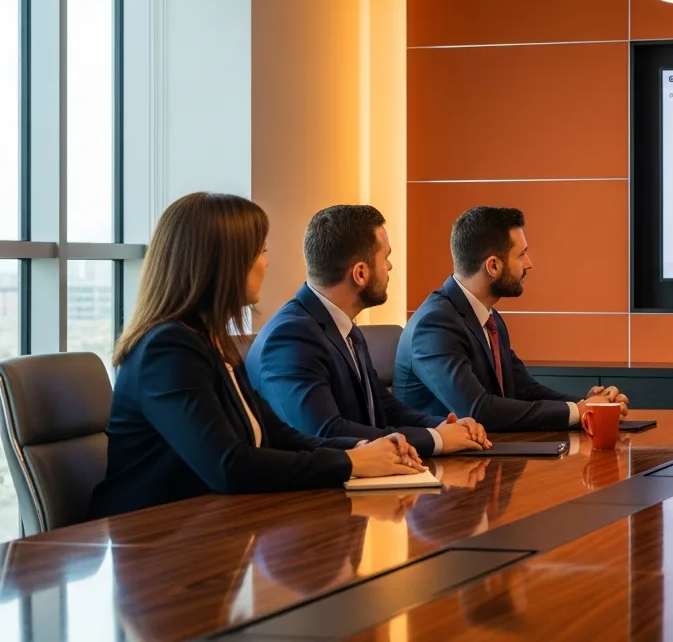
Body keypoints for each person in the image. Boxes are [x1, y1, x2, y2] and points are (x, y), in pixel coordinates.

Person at [88, 193, 425, 520]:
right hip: (150, 542)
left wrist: (363, 448)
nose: (266, 262)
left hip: (207, 527)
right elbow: (229, 465)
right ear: (224, 263)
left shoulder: (210, 342)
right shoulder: (168, 350)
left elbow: (278, 434)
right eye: (260, 251)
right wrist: (352, 463)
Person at [249, 204, 490, 459]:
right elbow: (325, 431)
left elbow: (381, 405)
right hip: (318, 493)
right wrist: (436, 440)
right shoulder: (291, 337)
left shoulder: (343, 327)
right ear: (361, 273)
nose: (389, 267)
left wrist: (444, 425)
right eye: (385, 257)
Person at [395, 206, 629, 431]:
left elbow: (523, 389)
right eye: (521, 255)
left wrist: (590, 404)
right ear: (493, 266)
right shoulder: (435, 324)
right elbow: (477, 410)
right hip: (441, 466)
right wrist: (581, 411)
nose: (529, 264)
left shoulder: (488, 317)